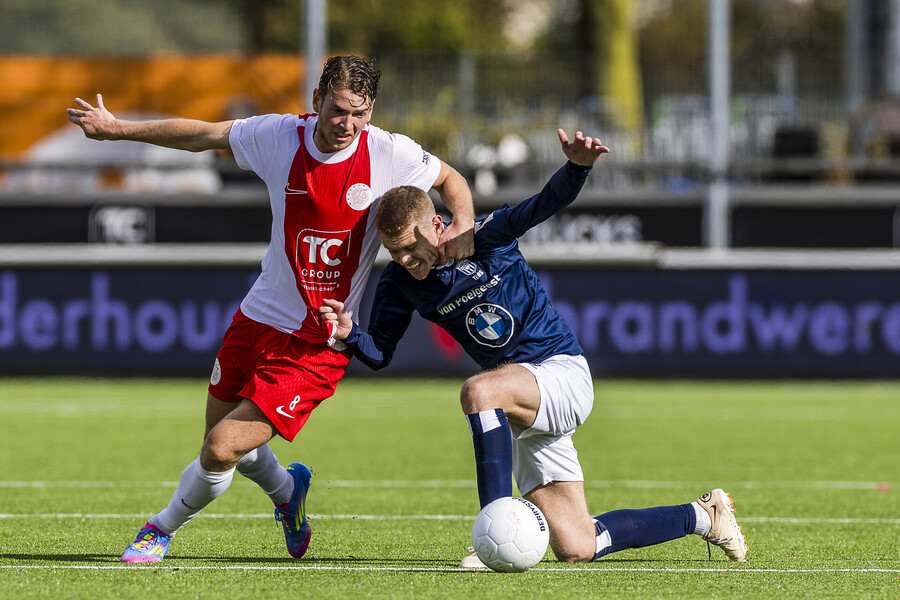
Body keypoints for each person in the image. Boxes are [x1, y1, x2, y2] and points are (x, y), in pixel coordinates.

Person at [66, 54, 475, 563]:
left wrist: (461, 224)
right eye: (340, 111)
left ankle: (159, 530)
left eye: (361, 114)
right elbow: (201, 135)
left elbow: (452, 179)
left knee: (220, 448)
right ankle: (288, 493)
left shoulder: (388, 152)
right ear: (316, 101)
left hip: (316, 342)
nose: (349, 125)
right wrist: (118, 130)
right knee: (223, 445)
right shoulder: (279, 136)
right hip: (257, 318)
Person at [318, 128, 748, 565]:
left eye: (411, 248)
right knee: (579, 546)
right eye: (394, 252)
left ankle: (490, 530)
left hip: (561, 373)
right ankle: (703, 515)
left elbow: (546, 202)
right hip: (522, 408)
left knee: (478, 391)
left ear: (436, 224)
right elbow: (380, 354)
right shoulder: (398, 283)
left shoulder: (485, 237)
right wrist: (350, 333)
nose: (406, 261)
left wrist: (578, 166)